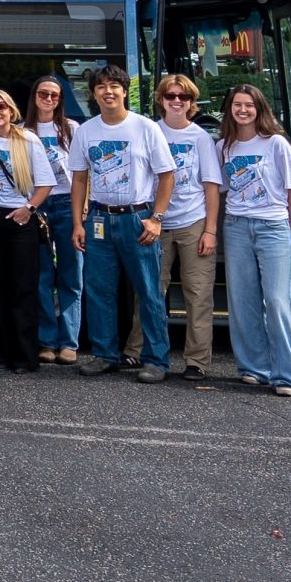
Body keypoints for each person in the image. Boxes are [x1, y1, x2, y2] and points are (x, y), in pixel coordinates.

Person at [69, 65, 177, 382]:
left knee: (148, 292)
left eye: (114, 85)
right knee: (99, 291)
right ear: (93, 94)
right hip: (100, 219)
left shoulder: (145, 128)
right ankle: (105, 355)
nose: (108, 91)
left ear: (125, 91)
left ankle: (156, 360)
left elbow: (167, 175)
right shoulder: (86, 131)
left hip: (137, 219)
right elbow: (78, 179)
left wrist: (156, 218)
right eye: (101, 86)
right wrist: (78, 223)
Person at [218, 83, 291, 397]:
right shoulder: (224, 147)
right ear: (230, 109)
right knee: (242, 300)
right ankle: (253, 368)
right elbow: (221, 189)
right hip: (236, 226)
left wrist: (285, 226)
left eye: (249, 105)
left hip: (273, 227)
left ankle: (287, 376)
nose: (243, 110)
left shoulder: (276, 144)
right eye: (237, 105)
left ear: (259, 109)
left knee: (276, 300)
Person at [0, 88, 55, 374]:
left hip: (21, 220)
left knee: (22, 289)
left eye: (1, 107)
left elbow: (45, 184)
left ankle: (26, 356)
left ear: (11, 110)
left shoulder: (28, 140)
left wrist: (28, 208)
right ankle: (1, 354)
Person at [153, 75, 222, 380]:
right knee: (150, 292)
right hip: (155, 223)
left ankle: (197, 361)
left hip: (192, 222)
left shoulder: (200, 138)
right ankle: (143, 353)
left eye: (183, 97)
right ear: (162, 100)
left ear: (192, 103)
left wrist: (210, 231)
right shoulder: (151, 132)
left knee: (198, 294)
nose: (177, 101)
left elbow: (211, 187)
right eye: (171, 96)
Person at [27, 76, 83, 366]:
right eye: (43, 94)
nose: (48, 99)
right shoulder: (23, 131)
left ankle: (69, 342)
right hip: (36, 205)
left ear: (61, 100)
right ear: (34, 97)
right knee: (42, 277)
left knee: (71, 276)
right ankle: (46, 341)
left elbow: (85, 173)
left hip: (66, 204)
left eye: (54, 95)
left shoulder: (72, 129)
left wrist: (82, 210)